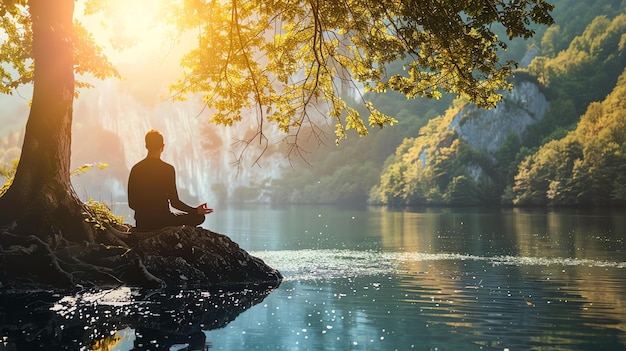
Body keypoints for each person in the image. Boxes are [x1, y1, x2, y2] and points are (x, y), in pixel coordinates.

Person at [128, 129, 213, 230]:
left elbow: (132, 204)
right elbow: (175, 202)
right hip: (164, 221)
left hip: (143, 222)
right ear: (163, 146)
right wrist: (195, 211)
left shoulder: (136, 168)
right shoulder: (168, 169)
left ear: (146, 146)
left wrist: (146, 212)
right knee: (199, 217)